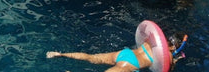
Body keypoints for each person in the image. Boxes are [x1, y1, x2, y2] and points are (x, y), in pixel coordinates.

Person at [46, 31, 187, 71]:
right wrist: (175, 60)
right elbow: (165, 68)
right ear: (175, 46)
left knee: (92, 57)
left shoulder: (151, 40)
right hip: (130, 64)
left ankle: (60, 54)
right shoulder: (167, 54)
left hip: (125, 53)